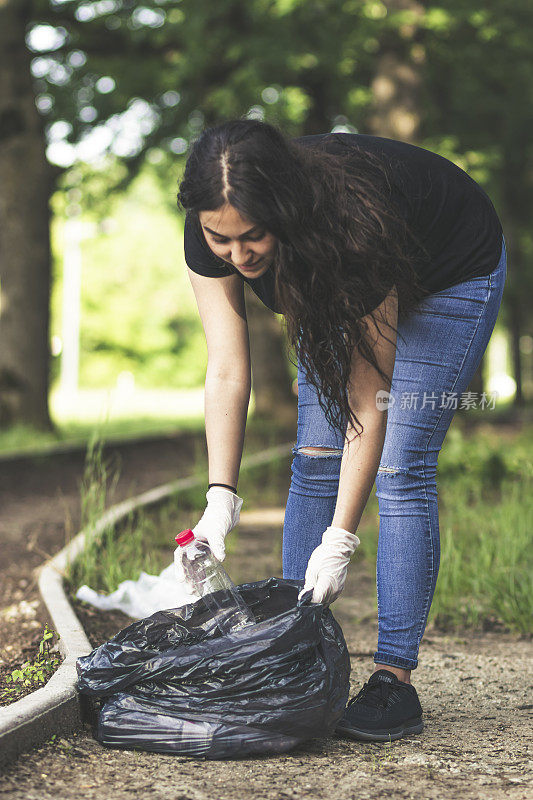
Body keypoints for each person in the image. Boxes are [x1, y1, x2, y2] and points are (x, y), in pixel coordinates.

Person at [175, 118, 506, 742]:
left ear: (284, 214)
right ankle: (298, 652)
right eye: (222, 240)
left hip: (450, 264)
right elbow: (226, 368)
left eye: (253, 238)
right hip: (333, 271)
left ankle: (393, 681)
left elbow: (366, 395)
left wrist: (340, 540)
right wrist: (220, 501)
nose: (240, 257)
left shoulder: (351, 228)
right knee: (316, 452)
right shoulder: (210, 225)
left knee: (402, 464)